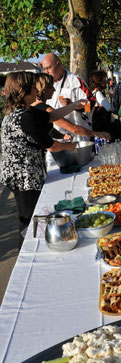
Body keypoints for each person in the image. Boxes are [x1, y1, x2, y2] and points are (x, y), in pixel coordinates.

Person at [0, 72, 87, 248]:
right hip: (23, 177)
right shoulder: (24, 117)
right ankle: (25, 254)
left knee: (32, 215)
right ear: (23, 92)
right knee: (28, 218)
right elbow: (51, 145)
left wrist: (75, 105)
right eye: (32, 88)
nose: (35, 90)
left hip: (26, 174)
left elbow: (52, 116)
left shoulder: (24, 112)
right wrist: (71, 147)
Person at [32, 72, 110, 142]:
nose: (54, 89)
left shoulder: (76, 81)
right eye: (51, 87)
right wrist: (97, 133)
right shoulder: (45, 109)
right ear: (44, 89)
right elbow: (74, 129)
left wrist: (62, 136)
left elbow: (49, 129)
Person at [41, 53, 95, 141]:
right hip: (56, 138)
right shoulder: (47, 85)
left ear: (58, 64)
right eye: (44, 69)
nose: (46, 72)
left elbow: (91, 105)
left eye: (48, 68)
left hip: (77, 138)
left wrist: (73, 105)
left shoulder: (75, 81)